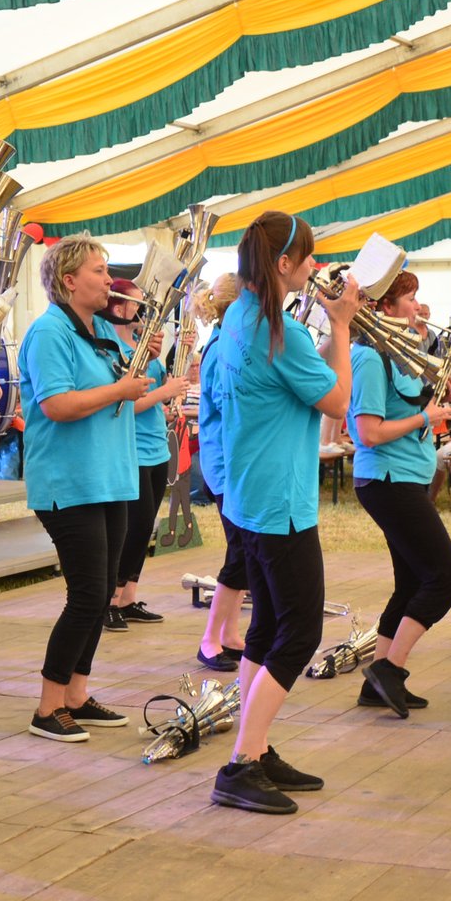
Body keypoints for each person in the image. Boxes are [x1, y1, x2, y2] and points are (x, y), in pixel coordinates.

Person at [206, 211, 358, 814]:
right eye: (309, 256)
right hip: (281, 503)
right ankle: (241, 763)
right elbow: (337, 400)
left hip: (249, 497)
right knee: (300, 633)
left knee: (267, 628)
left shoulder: (238, 319)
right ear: (285, 263)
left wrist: (326, 337)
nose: (315, 266)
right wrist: (341, 327)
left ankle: (258, 747)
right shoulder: (279, 329)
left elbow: (297, 375)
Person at [17, 236, 150, 745]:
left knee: (102, 593)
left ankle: (76, 695)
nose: (109, 279)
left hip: (107, 477)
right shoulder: (49, 332)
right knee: (88, 595)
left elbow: (117, 391)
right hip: (70, 483)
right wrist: (120, 388)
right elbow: (57, 405)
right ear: (69, 280)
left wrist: (137, 370)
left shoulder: (101, 330)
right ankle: (48, 706)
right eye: (99, 270)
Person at [347, 270, 451, 718]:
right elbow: (369, 432)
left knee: (411, 582)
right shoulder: (369, 357)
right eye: (409, 298)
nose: (417, 306)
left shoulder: (396, 352)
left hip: (404, 477)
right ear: (385, 307)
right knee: (446, 579)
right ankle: (389, 669)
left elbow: (406, 408)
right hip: (386, 479)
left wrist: (435, 403)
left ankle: (377, 685)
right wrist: (426, 417)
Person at [105, 278, 189, 629]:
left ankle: (128, 598)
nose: (144, 312)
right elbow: (126, 404)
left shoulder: (143, 346)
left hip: (155, 447)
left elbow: (153, 395)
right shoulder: (114, 350)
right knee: (133, 527)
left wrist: (169, 399)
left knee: (144, 530)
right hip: (134, 449)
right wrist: (164, 392)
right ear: (118, 307)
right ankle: (110, 600)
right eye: (138, 305)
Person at [194, 274, 250, 673]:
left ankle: (229, 634)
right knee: (240, 553)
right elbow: (227, 404)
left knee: (243, 553)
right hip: (225, 467)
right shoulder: (219, 349)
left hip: (233, 464)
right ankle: (209, 640)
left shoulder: (227, 343)